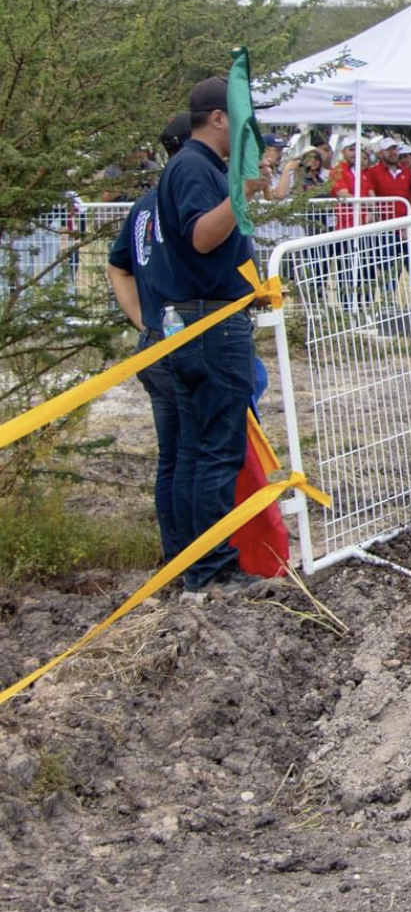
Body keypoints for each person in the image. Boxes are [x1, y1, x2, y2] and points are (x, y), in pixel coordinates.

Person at [146, 78, 260, 594]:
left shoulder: (192, 166)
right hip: (208, 323)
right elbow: (201, 234)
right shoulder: (193, 166)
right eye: (240, 116)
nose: (247, 128)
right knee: (216, 449)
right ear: (218, 118)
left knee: (197, 450)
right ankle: (212, 569)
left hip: (194, 321)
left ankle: (198, 566)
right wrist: (242, 192)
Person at [105, 113, 191, 565]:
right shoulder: (181, 201)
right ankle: (193, 557)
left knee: (171, 455)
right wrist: (143, 318)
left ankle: (175, 554)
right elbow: (117, 266)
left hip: (156, 340)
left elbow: (116, 264)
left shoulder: (145, 205)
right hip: (177, 341)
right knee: (191, 454)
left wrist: (142, 321)